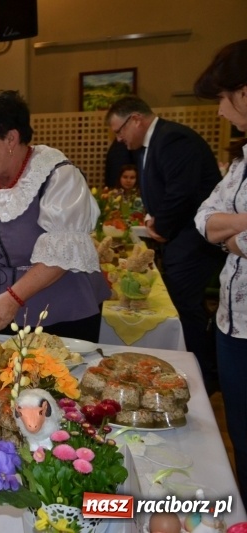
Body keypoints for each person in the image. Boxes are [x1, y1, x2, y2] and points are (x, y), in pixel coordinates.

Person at [0, 90, 109, 340]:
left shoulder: (57, 176)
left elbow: (62, 252)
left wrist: (14, 296)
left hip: (58, 322)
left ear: (11, 139)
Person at [107, 95, 223, 390]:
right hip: (179, 236)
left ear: (136, 119)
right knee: (184, 304)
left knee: (185, 306)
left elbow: (181, 193)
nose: (119, 139)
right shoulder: (154, 143)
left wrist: (160, 226)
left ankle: (202, 375)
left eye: (120, 130)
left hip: (192, 240)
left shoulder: (173, 139)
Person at [193, 37, 247, 504]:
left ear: (244, 93)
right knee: (241, 439)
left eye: (222, 100)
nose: (219, 112)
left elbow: (227, 232)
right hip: (233, 324)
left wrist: (235, 233)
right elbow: (204, 220)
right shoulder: (242, 161)